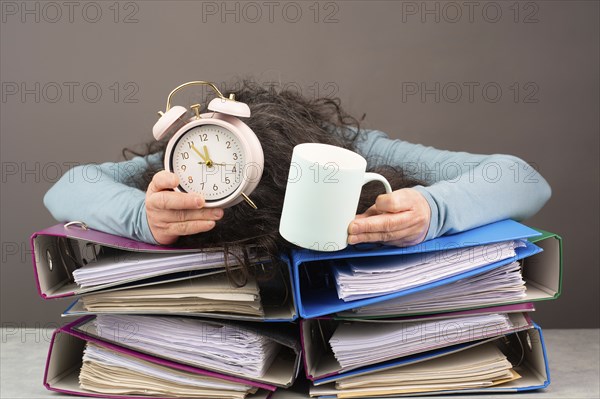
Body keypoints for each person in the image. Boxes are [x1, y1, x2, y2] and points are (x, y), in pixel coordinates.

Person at [44, 80, 551, 275]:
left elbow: (522, 178)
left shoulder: (351, 146)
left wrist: (433, 211)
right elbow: (67, 187)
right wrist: (144, 217)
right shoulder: (178, 162)